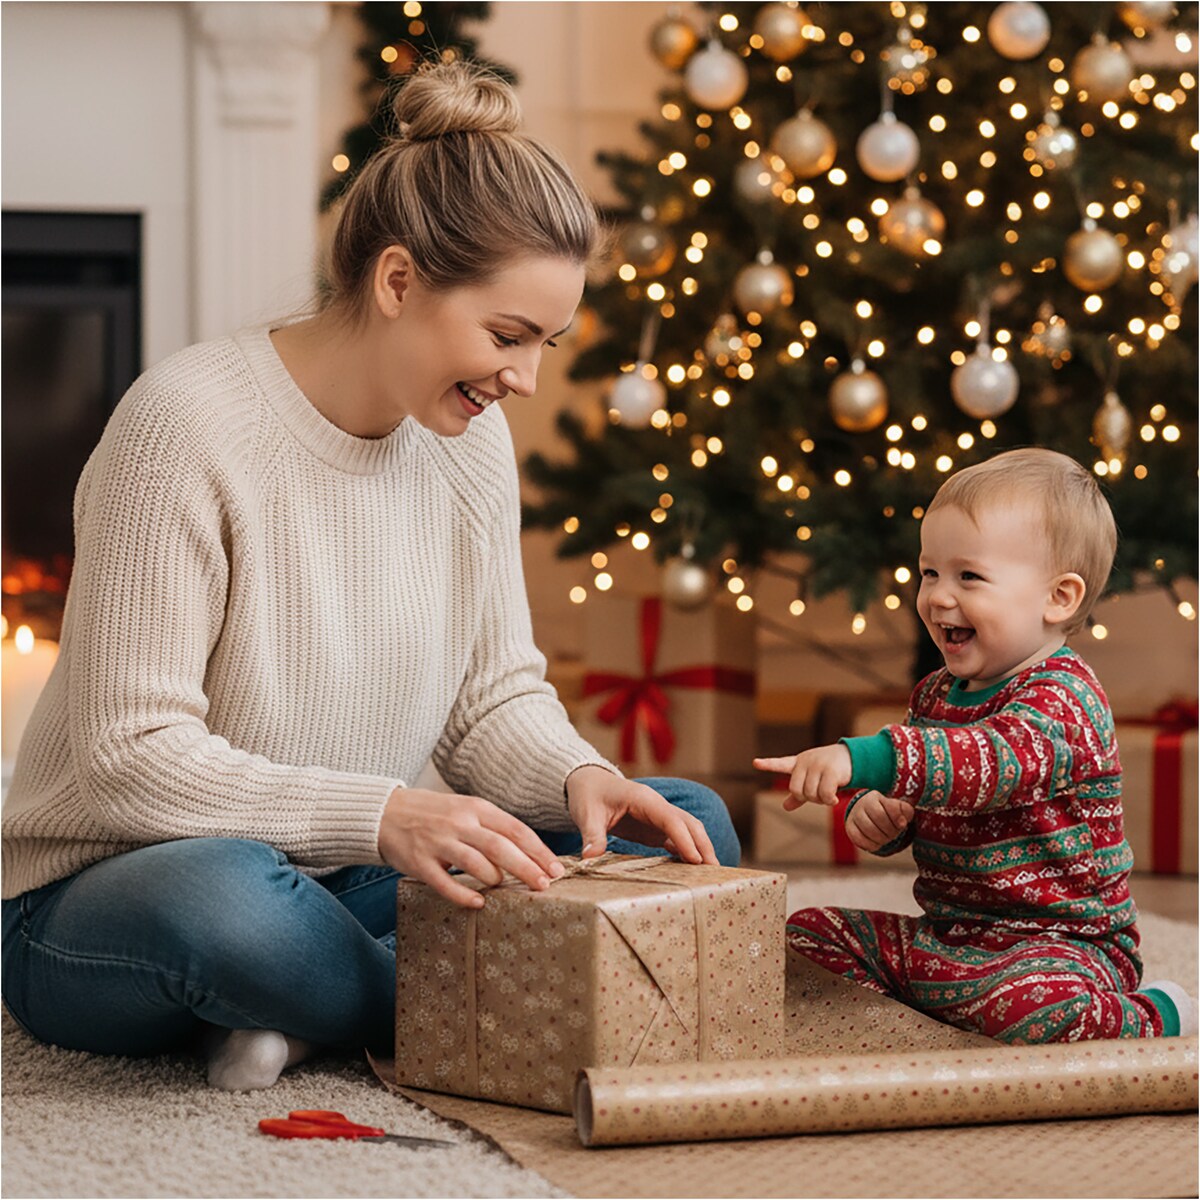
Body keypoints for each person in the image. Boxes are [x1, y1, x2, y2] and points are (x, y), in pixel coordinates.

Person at [1, 60, 739, 1092]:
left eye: (547, 343)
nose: (524, 379)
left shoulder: (468, 441)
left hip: (351, 880)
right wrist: (387, 816)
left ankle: (314, 1009)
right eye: (507, 336)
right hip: (105, 895)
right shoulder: (185, 425)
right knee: (229, 906)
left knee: (686, 821)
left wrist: (581, 779)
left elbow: (491, 698)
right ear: (398, 282)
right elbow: (131, 758)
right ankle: (490, 1000)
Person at [755, 448, 1196, 1043]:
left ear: (1058, 598)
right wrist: (882, 816)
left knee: (1030, 1011)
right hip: (949, 936)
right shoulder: (936, 694)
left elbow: (986, 764)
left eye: (969, 576)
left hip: (1060, 947)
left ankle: (1155, 1013)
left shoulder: (1065, 697)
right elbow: (929, 790)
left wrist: (863, 758)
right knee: (805, 936)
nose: (938, 596)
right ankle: (942, 1013)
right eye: (929, 572)